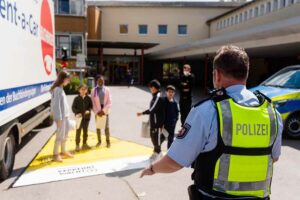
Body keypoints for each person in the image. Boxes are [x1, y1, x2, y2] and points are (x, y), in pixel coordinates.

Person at [140, 45, 283, 200]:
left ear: (217, 75)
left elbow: (175, 161)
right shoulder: (272, 112)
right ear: (246, 74)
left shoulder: (208, 110)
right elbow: (274, 157)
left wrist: (153, 168)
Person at [137, 80, 165, 162]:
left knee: (156, 139)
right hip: (154, 122)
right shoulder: (155, 95)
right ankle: (157, 153)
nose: (150, 89)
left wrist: (142, 113)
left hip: (157, 123)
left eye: (151, 87)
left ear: (155, 88)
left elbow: (152, 109)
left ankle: (159, 154)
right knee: (154, 138)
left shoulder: (158, 97)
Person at [50, 71, 74, 162]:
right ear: (63, 79)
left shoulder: (61, 88)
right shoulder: (57, 90)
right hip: (61, 117)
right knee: (59, 135)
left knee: (65, 134)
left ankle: (63, 151)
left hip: (65, 116)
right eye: (68, 79)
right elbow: (56, 105)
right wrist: (59, 118)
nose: (69, 81)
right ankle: (55, 155)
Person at [91, 75, 112, 148]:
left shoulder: (107, 90)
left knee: (107, 127)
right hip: (97, 111)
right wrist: (97, 112)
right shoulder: (94, 90)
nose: (101, 82)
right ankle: (99, 141)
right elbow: (92, 102)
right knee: (98, 127)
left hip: (105, 111)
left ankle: (108, 141)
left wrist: (103, 111)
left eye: (102, 80)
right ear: (97, 81)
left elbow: (109, 102)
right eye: (99, 80)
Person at [72, 84, 93, 151]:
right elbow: (73, 107)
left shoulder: (88, 98)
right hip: (79, 118)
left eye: (85, 89)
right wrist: (77, 113)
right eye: (82, 89)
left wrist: (88, 110)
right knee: (78, 131)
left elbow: (90, 106)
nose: (83, 91)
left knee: (85, 131)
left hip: (86, 118)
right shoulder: (76, 99)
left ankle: (84, 144)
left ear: (87, 90)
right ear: (79, 90)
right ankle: (77, 145)